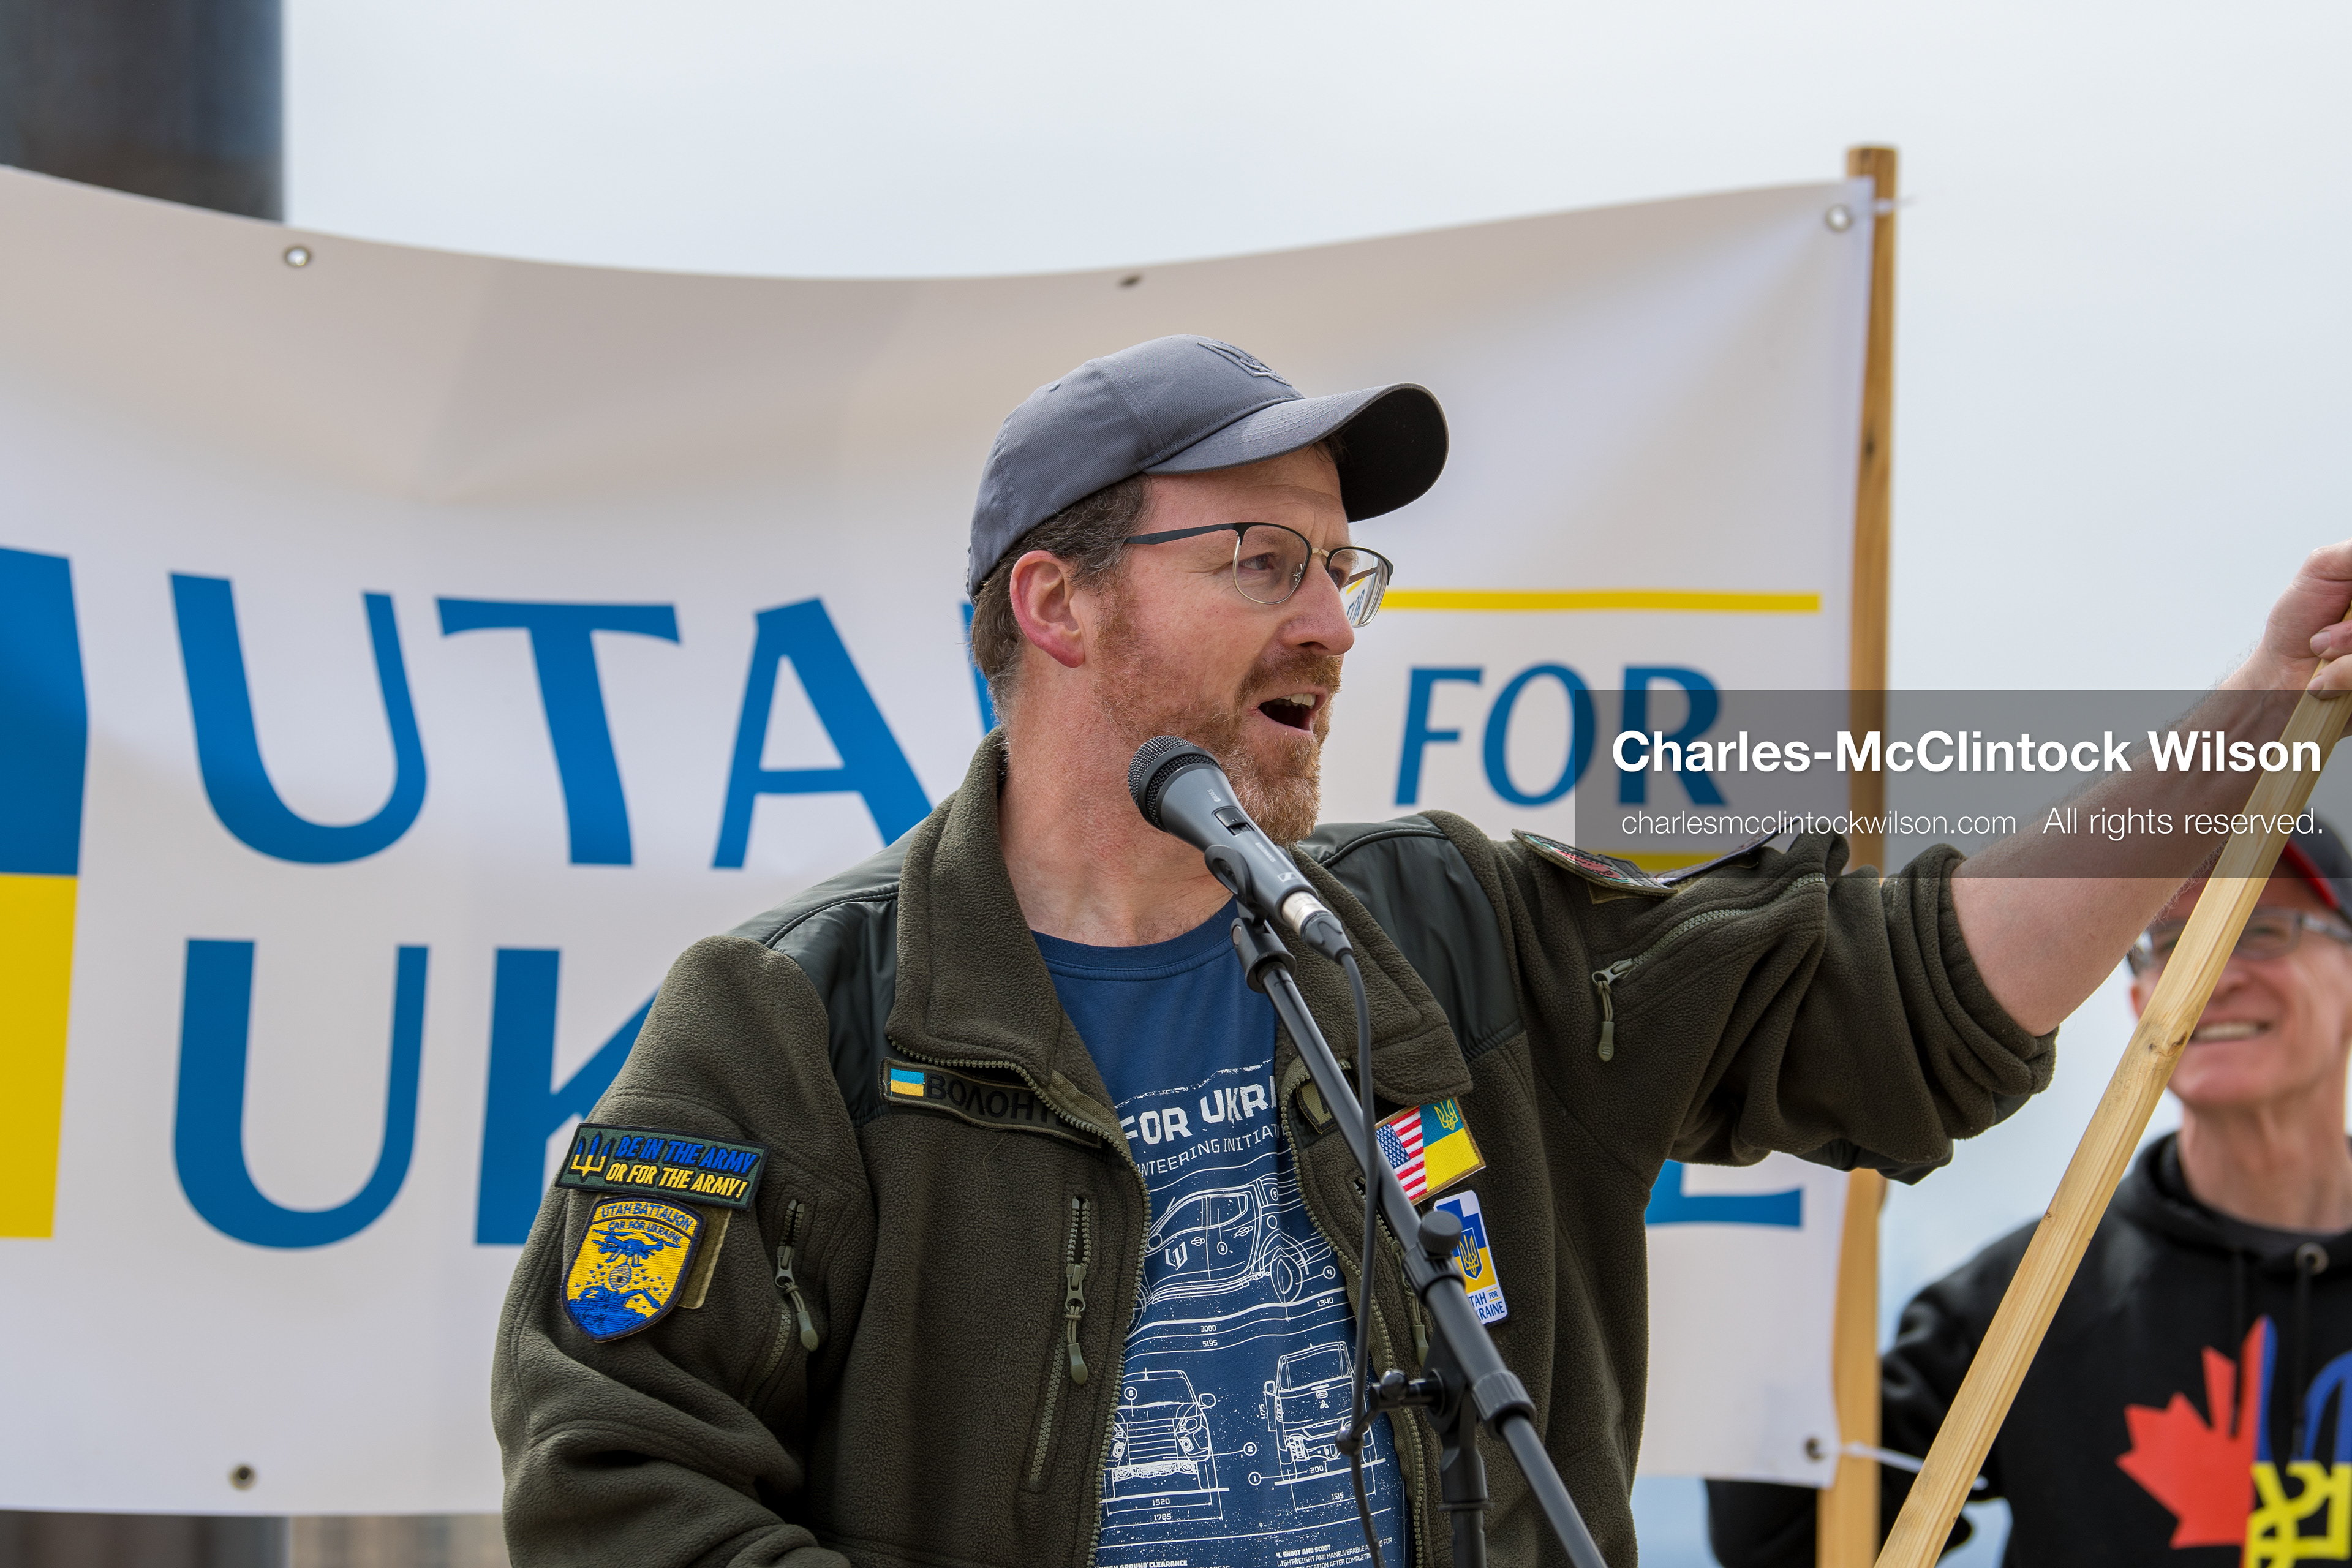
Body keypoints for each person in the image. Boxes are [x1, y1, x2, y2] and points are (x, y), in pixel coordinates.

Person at [489, 333, 2352, 1568]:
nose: (1331, 622)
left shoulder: (1458, 931)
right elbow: (618, 1481)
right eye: (1257, 563)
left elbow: (1890, 990)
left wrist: (2243, 729)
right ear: (1052, 604)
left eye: (1340, 570)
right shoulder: (790, 1019)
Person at [1706, 823, 2352, 1567]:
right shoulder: (2024, 1302)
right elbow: (1792, 1542)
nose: (2213, 969)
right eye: (2175, 941)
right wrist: (1770, 1249)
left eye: (2260, 930)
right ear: (2140, 992)